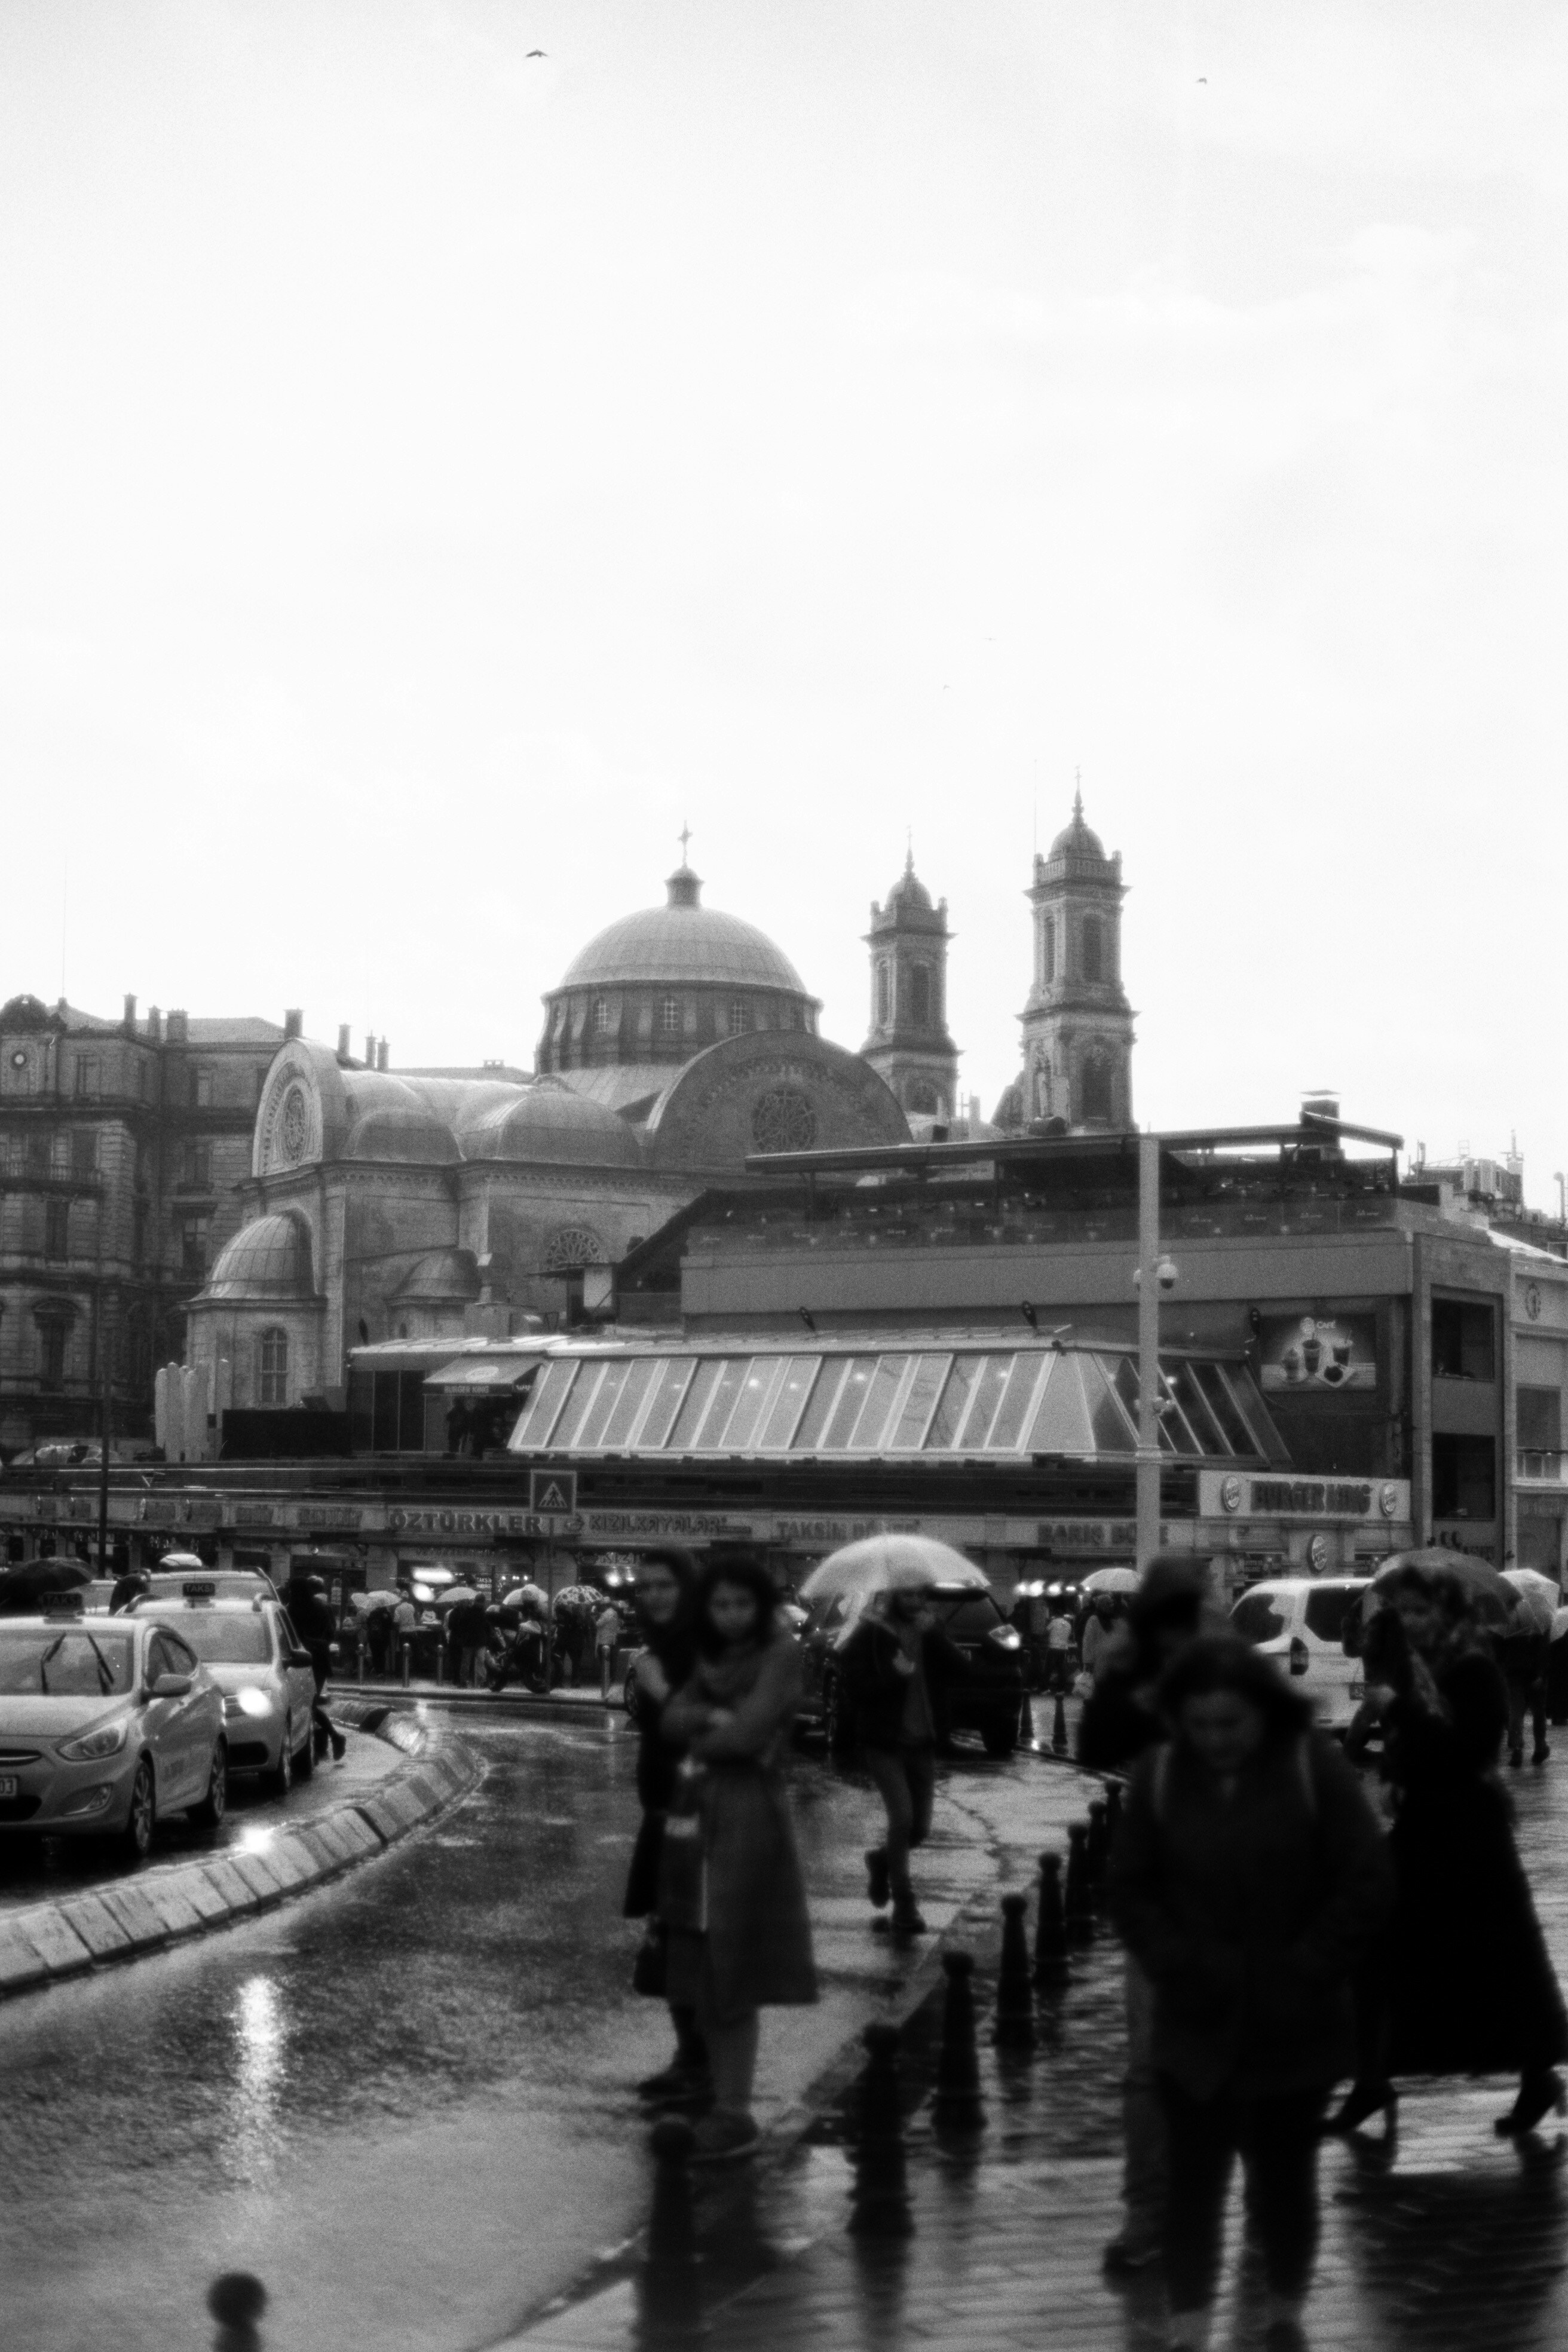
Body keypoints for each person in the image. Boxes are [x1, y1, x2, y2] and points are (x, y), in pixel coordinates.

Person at [1111, 1636, 1391, 2352]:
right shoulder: (1162, 1774)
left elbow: (1365, 1878)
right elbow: (1129, 1885)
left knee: (1284, 2183)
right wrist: (1175, 1963)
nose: (1215, 1741)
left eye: (1229, 1725)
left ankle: (1281, 2317)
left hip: (1294, 2026)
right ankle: (1187, 2329)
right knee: (1192, 2185)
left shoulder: (1308, 1768)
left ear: (1260, 1716)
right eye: (1199, 1726)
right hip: (1194, 2020)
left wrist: (1308, 1967)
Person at [1336, 1564, 1567, 2139]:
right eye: (1405, 1613)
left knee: (1495, 1965)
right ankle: (1370, 2081)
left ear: (1448, 1614)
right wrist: (1391, 1770)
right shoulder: (1419, 1671)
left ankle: (1537, 2074)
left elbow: (1468, 1752)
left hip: (1469, 1843)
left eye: (1422, 1611)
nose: (1412, 1623)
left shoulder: (1475, 1671)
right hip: (1421, 1834)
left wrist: (1397, 1710)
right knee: (1374, 1952)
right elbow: (1413, 1748)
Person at [1079, 1555, 1215, 2281]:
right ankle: (1147, 2215)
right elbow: (1093, 1746)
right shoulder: (1133, 1680)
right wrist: (1121, 1675)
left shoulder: (1223, 1679)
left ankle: (1198, 2204)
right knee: (1145, 2065)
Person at [662, 1552, 817, 2161]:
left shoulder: (780, 1653)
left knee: (733, 1952)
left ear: (760, 1606)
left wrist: (709, 1729)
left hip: (748, 1811)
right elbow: (672, 1718)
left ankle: (734, 2108)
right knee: (698, 1954)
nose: (729, 1616)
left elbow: (750, 1733)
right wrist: (708, 1720)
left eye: (740, 1604)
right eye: (719, 1604)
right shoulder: (709, 1655)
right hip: (694, 1808)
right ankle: (724, 2101)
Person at [621, 1548, 709, 2108]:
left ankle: (702, 2065)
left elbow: (706, 1728)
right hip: (664, 1816)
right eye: (645, 1586)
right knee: (670, 1942)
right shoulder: (662, 1649)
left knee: (689, 1943)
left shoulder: (700, 1651)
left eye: (666, 1586)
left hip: (699, 1818)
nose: (654, 1596)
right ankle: (690, 2058)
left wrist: (655, 1687)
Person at [836, 1577, 969, 1936]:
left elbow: (962, 1669)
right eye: (907, 1594)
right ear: (893, 1596)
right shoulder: (871, 1633)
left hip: (923, 1740)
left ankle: (881, 1861)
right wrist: (896, 1678)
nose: (914, 1601)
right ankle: (905, 1904)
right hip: (885, 1741)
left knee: (921, 1829)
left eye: (920, 1594)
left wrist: (936, 1635)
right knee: (903, 1818)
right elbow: (856, 1688)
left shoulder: (929, 1630)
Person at [284, 1575, 347, 1760]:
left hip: (301, 1661)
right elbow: (330, 1635)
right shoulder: (322, 1608)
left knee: (309, 1705)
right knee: (310, 1704)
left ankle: (331, 1737)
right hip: (319, 1660)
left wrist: (307, 1642)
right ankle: (329, 1739)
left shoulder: (292, 1610)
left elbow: (290, 1638)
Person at [1080, 1592, 1118, 1684]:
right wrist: (1088, 1661)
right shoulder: (1094, 1620)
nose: (1111, 1606)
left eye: (1111, 1603)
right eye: (1108, 1603)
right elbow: (1088, 1641)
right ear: (1102, 1605)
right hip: (1096, 1662)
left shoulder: (1113, 1620)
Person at [595, 1595, 623, 1703]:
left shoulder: (607, 1614)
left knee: (604, 1661)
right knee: (609, 1661)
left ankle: (606, 1680)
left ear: (605, 1606)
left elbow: (598, 1624)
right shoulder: (614, 1613)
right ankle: (608, 1679)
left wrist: (595, 1618)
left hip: (604, 1641)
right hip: (611, 1641)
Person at [1044, 1600, 1074, 1693]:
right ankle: (1061, 1689)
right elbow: (1070, 1635)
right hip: (1063, 1649)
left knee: (1048, 1668)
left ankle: (1046, 1688)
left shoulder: (1054, 1622)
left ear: (1056, 1615)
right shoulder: (1069, 1625)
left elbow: (1046, 1631)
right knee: (1061, 1669)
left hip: (1053, 1647)